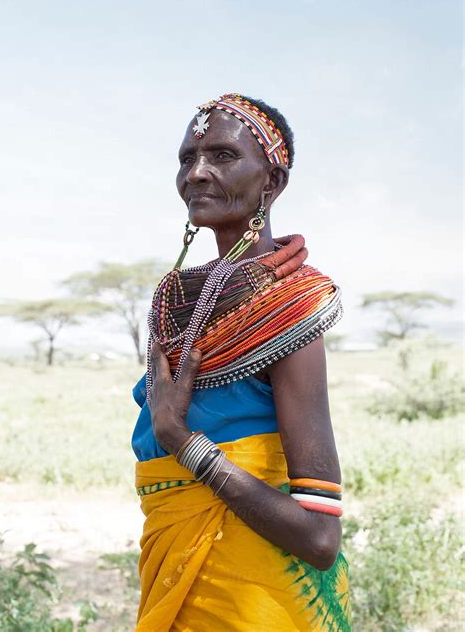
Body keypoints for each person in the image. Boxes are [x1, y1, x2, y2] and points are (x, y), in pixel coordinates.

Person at [131, 93, 351, 631]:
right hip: (177, 572)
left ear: (271, 182)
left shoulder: (290, 309)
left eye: (223, 156)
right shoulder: (177, 301)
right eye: (187, 158)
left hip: (260, 598)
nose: (197, 174)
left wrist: (178, 437)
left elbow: (319, 538)